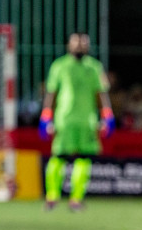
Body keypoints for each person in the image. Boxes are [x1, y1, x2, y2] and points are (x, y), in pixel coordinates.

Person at [40, 32, 113, 211]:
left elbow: (101, 93)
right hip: (64, 120)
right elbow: (51, 92)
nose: (79, 46)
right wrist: (45, 115)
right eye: (76, 42)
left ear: (88, 46)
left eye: (83, 43)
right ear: (69, 45)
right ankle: (52, 197)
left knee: (84, 159)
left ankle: (76, 199)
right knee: (58, 157)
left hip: (87, 121)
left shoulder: (94, 67)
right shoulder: (59, 66)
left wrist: (107, 115)